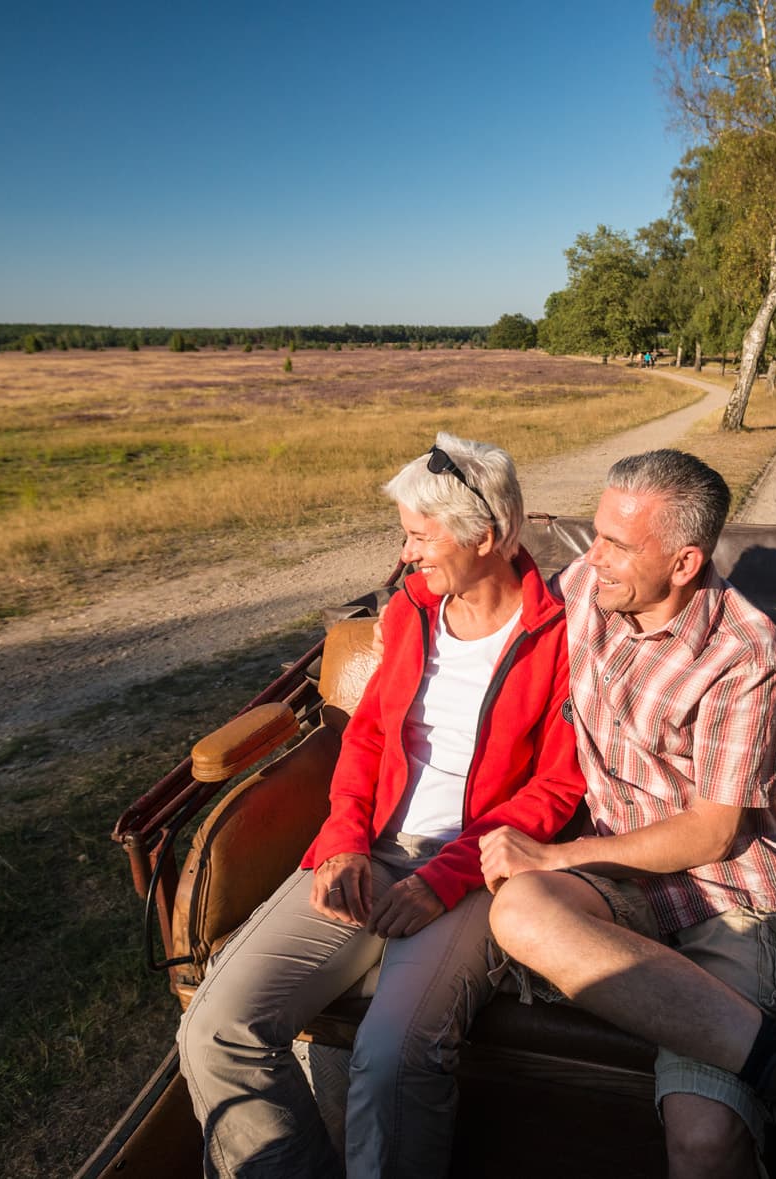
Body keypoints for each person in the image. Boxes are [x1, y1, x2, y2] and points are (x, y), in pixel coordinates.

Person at [480, 449, 776, 1179]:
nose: (591, 555)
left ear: (682, 562)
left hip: (728, 897)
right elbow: (483, 608)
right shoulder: (584, 587)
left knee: (703, 1145)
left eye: (617, 543)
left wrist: (553, 857)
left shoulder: (746, 648)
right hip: (621, 876)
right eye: (596, 533)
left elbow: (714, 829)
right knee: (518, 913)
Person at [177, 432, 586, 1179]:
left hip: (474, 871)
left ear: (487, 536)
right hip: (371, 848)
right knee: (215, 1028)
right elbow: (364, 737)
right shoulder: (409, 612)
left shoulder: (563, 634)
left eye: (419, 537)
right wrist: (342, 841)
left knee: (393, 1057)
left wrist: (443, 877)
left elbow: (557, 788)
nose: (405, 555)